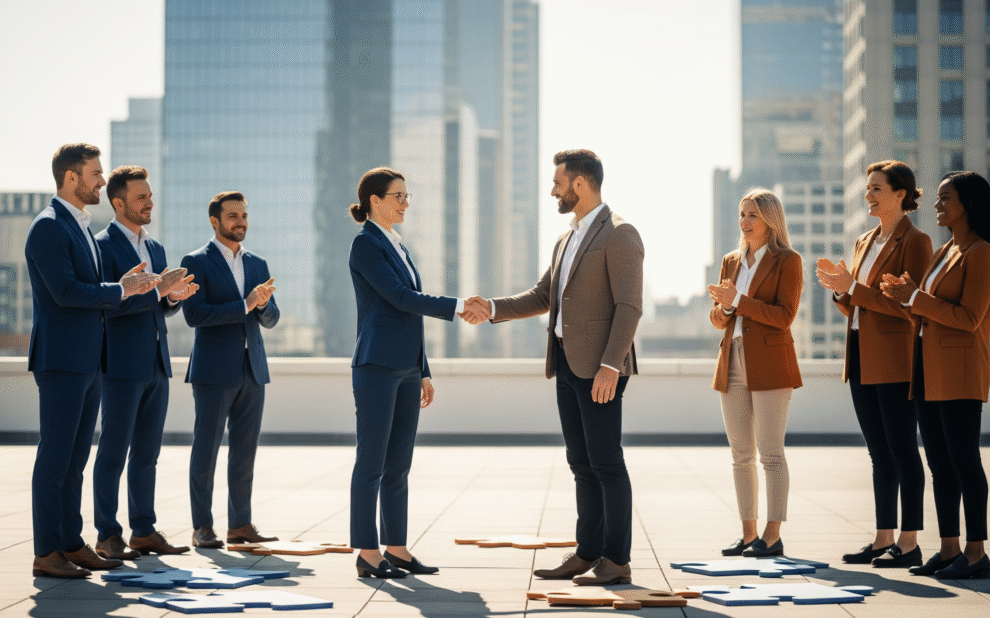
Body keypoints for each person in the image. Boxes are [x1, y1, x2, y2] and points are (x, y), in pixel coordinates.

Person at [470, 149, 644, 586]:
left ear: (580, 184)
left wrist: (610, 366)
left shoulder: (620, 234)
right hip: (566, 365)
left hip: (600, 368)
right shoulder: (566, 239)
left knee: (606, 462)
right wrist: (491, 307)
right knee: (580, 462)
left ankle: (616, 559)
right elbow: (543, 295)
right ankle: (587, 552)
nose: (553, 190)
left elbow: (629, 307)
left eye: (558, 183)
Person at [26, 143, 160, 578]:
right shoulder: (48, 228)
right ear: (71, 178)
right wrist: (121, 290)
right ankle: (47, 551)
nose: (102, 180)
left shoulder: (80, 225)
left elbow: (95, 290)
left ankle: (69, 541)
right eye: (96, 173)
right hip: (62, 359)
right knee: (55, 459)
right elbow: (66, 293)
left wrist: (127, 286)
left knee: (76, 459)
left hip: (88, 360)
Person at [348, 167, 479, 579]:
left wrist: (423, 370)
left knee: (399, 464)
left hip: (406, 368)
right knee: (371, 463)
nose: (406, 202)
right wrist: (458, 304)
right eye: (399, 196)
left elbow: (410, 318)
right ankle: (368, 554)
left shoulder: (399, 246)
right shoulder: (365, 245)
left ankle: (397, 549)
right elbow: (401, 299)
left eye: (407, 195)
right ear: (376, 201)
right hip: (376, 366)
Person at [816, 161, 931, 568]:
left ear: (901, 194)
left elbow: (909, 308)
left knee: (902, 450)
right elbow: (859, 303)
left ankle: (910, 540)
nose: (868, 195)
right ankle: (883, 537)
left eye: (876, 188)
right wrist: (840, 291)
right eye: (868, 188)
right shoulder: (865, 240)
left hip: (897, 360)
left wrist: (855, 289)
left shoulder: (916, 242)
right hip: (861, 353)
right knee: (879, 453)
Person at [881, 171, 990, 579]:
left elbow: (970, 317)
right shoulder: (945, 250)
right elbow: (925, 308)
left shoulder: (981, 252)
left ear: (970, 204)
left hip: (960, 369)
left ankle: (977, 552)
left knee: (964, 460)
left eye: (946, 198)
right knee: (940, 464)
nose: (937, 204)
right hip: (927, 369)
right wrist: (907, 295)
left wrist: (916, 298)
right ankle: (949, 549)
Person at [92, 166, 198, 559]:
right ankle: (107, 534)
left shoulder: (155, 249)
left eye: (150, 195)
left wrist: (171, 299)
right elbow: (107, 306)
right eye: (141, 197)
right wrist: (157, 295)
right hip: (120, 365)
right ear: (118, 203)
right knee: (113, 452)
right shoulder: (102, 247)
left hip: (156, 363)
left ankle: (143, 530)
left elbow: (155, 309)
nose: (149, 201)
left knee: (147, 455)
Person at [180, 191, 280, 549]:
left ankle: (240, 525)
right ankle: (202, 526)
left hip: (252, 368)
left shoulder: (258, 263)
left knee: (245, 451)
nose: (241, 222)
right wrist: (245, 304)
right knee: (206, 449)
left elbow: (271, 318)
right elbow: (194, 315)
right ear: (215, 221)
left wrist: (263, 306)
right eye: (233, 216)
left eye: (244, 215)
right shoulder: (196, 261)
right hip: (213, 369)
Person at [707, 188, 802, 559]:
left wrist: (739, 302)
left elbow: (784, 316)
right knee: (740, 454)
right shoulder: (731, 261)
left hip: (771, 364)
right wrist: (726, 310)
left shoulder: (787, 261)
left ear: (770, 221)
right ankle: (748, 535)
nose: (745, 222)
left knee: (771, 453)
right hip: (732, 362)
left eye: (753, 216)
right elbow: (717, 318)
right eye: (742, 214)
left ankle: (772, 534)